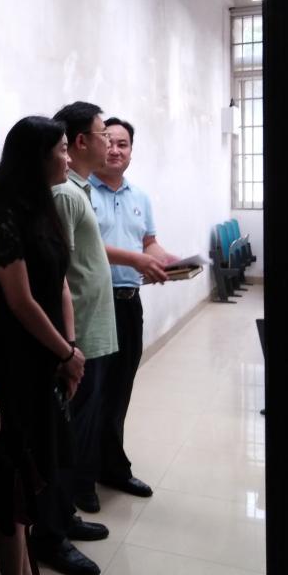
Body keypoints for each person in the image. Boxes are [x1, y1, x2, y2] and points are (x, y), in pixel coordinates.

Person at [0, 116, 86, 575]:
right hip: (16, 362)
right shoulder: (2, 213)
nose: (68, 158)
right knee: (14, 480)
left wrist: (70, 349)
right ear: (37, 157)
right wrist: (64, 353)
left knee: (35, 470)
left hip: (49, 358)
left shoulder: (46, 207)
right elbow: (19, 301)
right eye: (62, 149)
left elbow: (60, 282)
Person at [27, 102, 119, 575]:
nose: (110, 142)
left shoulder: (78, 190)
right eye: (103, 134)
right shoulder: (64, 195)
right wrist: (67, 346)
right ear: (80, 142)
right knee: (63, 442)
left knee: (77, 439)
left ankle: (64, 517)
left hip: (89, 337)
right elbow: (53, 274)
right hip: (75, 340)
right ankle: (50, 535)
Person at [87, 117, 178, 500]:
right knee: (91, 392)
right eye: (108, 141)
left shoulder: (139, 197)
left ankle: (112, 467)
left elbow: (148, 242)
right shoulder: (81, 191)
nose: (114, 150)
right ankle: (81, 477)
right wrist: (139, 259)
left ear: (130, 151)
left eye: (122, 144)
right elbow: (85, 247)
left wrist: (166, 259)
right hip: (95, 303)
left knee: (119, 389)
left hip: (129, 302)